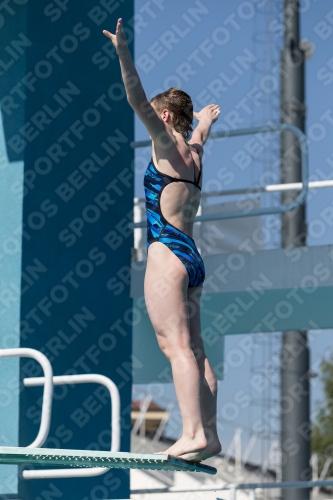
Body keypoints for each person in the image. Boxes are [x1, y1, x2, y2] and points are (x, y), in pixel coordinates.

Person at [103, 18, 222, 462]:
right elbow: (202, 133)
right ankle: (209, 435)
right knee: (197, 348)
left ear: (165, 116)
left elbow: (135, 93)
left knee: (174, 347)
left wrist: (123, 52)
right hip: (193, 257)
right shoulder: (194, 153)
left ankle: (191, 433)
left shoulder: (165, 143)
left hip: (167, 252)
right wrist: (205, 120)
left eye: (157, 114)